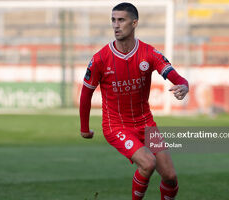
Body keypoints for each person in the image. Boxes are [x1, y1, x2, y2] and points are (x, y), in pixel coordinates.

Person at [79, 2, 189, 200]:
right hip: (116, 125)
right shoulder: (100, 59)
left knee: (170, 177)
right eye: (113, 20)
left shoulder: (149, 53)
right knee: (147, 163)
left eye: (121, 20)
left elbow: (175, 76)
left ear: (134, 23)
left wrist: (183, 85)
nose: (116, 25)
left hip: (146, 123)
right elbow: (86, 93)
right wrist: (84, 128)